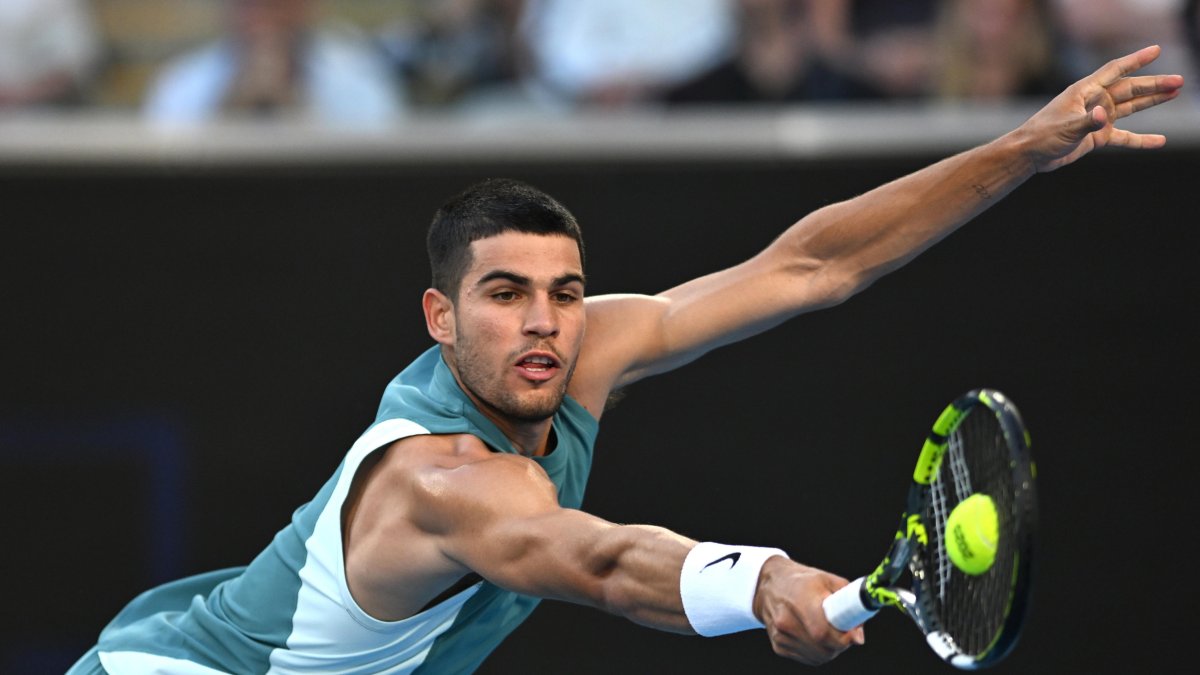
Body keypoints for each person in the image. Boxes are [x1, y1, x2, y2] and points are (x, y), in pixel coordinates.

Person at [69, 46, 1182, 673]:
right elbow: (600, 562)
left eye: (563, 292)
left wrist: (1020, 151)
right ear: (439, 318)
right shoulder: (444, 482)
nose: (547, 323)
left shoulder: (579, 348)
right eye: (504, 297)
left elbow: (808, 268)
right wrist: (766, 580)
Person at [143, 0, 403, 126]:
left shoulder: (361, 76)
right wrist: (228, 108)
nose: (262, 20)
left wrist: (299, 108)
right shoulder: (181, 82)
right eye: (249, 5)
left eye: (276, 5)